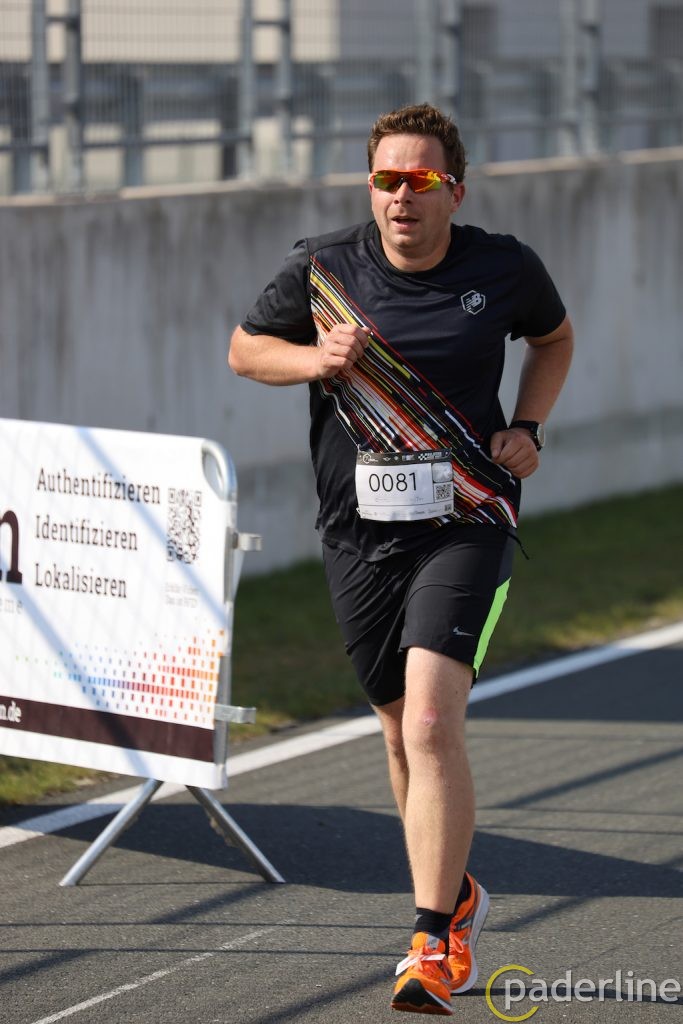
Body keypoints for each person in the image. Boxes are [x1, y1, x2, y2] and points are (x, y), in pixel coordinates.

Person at [228, 103, 573, 1016]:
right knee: (394, 730)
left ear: (454, 191)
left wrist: (527, 427)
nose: (401, 198)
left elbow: (552, 338)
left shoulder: (502, 268)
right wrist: (316, 360)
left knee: (427, 720)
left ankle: (429, 941)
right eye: (386, 179)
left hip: (466, 519)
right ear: (370, 186)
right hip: (358, 534)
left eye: (420, 181)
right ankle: (454, 893)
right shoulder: (323, 268)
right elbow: (244, 351)